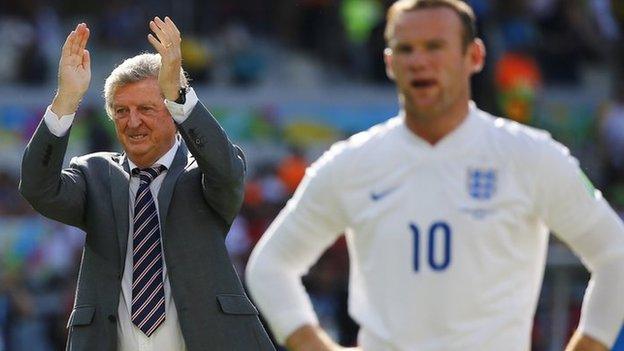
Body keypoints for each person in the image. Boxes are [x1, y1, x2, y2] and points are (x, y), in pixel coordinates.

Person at [244, 1, 624, 350]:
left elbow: (616, 254)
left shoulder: (530, 156)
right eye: (407, 50)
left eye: (435, 47)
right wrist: (310, 342)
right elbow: (269, 265)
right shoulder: (352, 163)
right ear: (390, 63)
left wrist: (591, 343)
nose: (419, 62)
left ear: (473, 56)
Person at [19, 18, 275, 351]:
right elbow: (38, 188)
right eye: (121, 110)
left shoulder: (204, 173)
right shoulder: (93, 174)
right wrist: (65, 100)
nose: (133, 121)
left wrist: (181, 96)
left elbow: (227, 174)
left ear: (171, 111)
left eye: (146, 108)